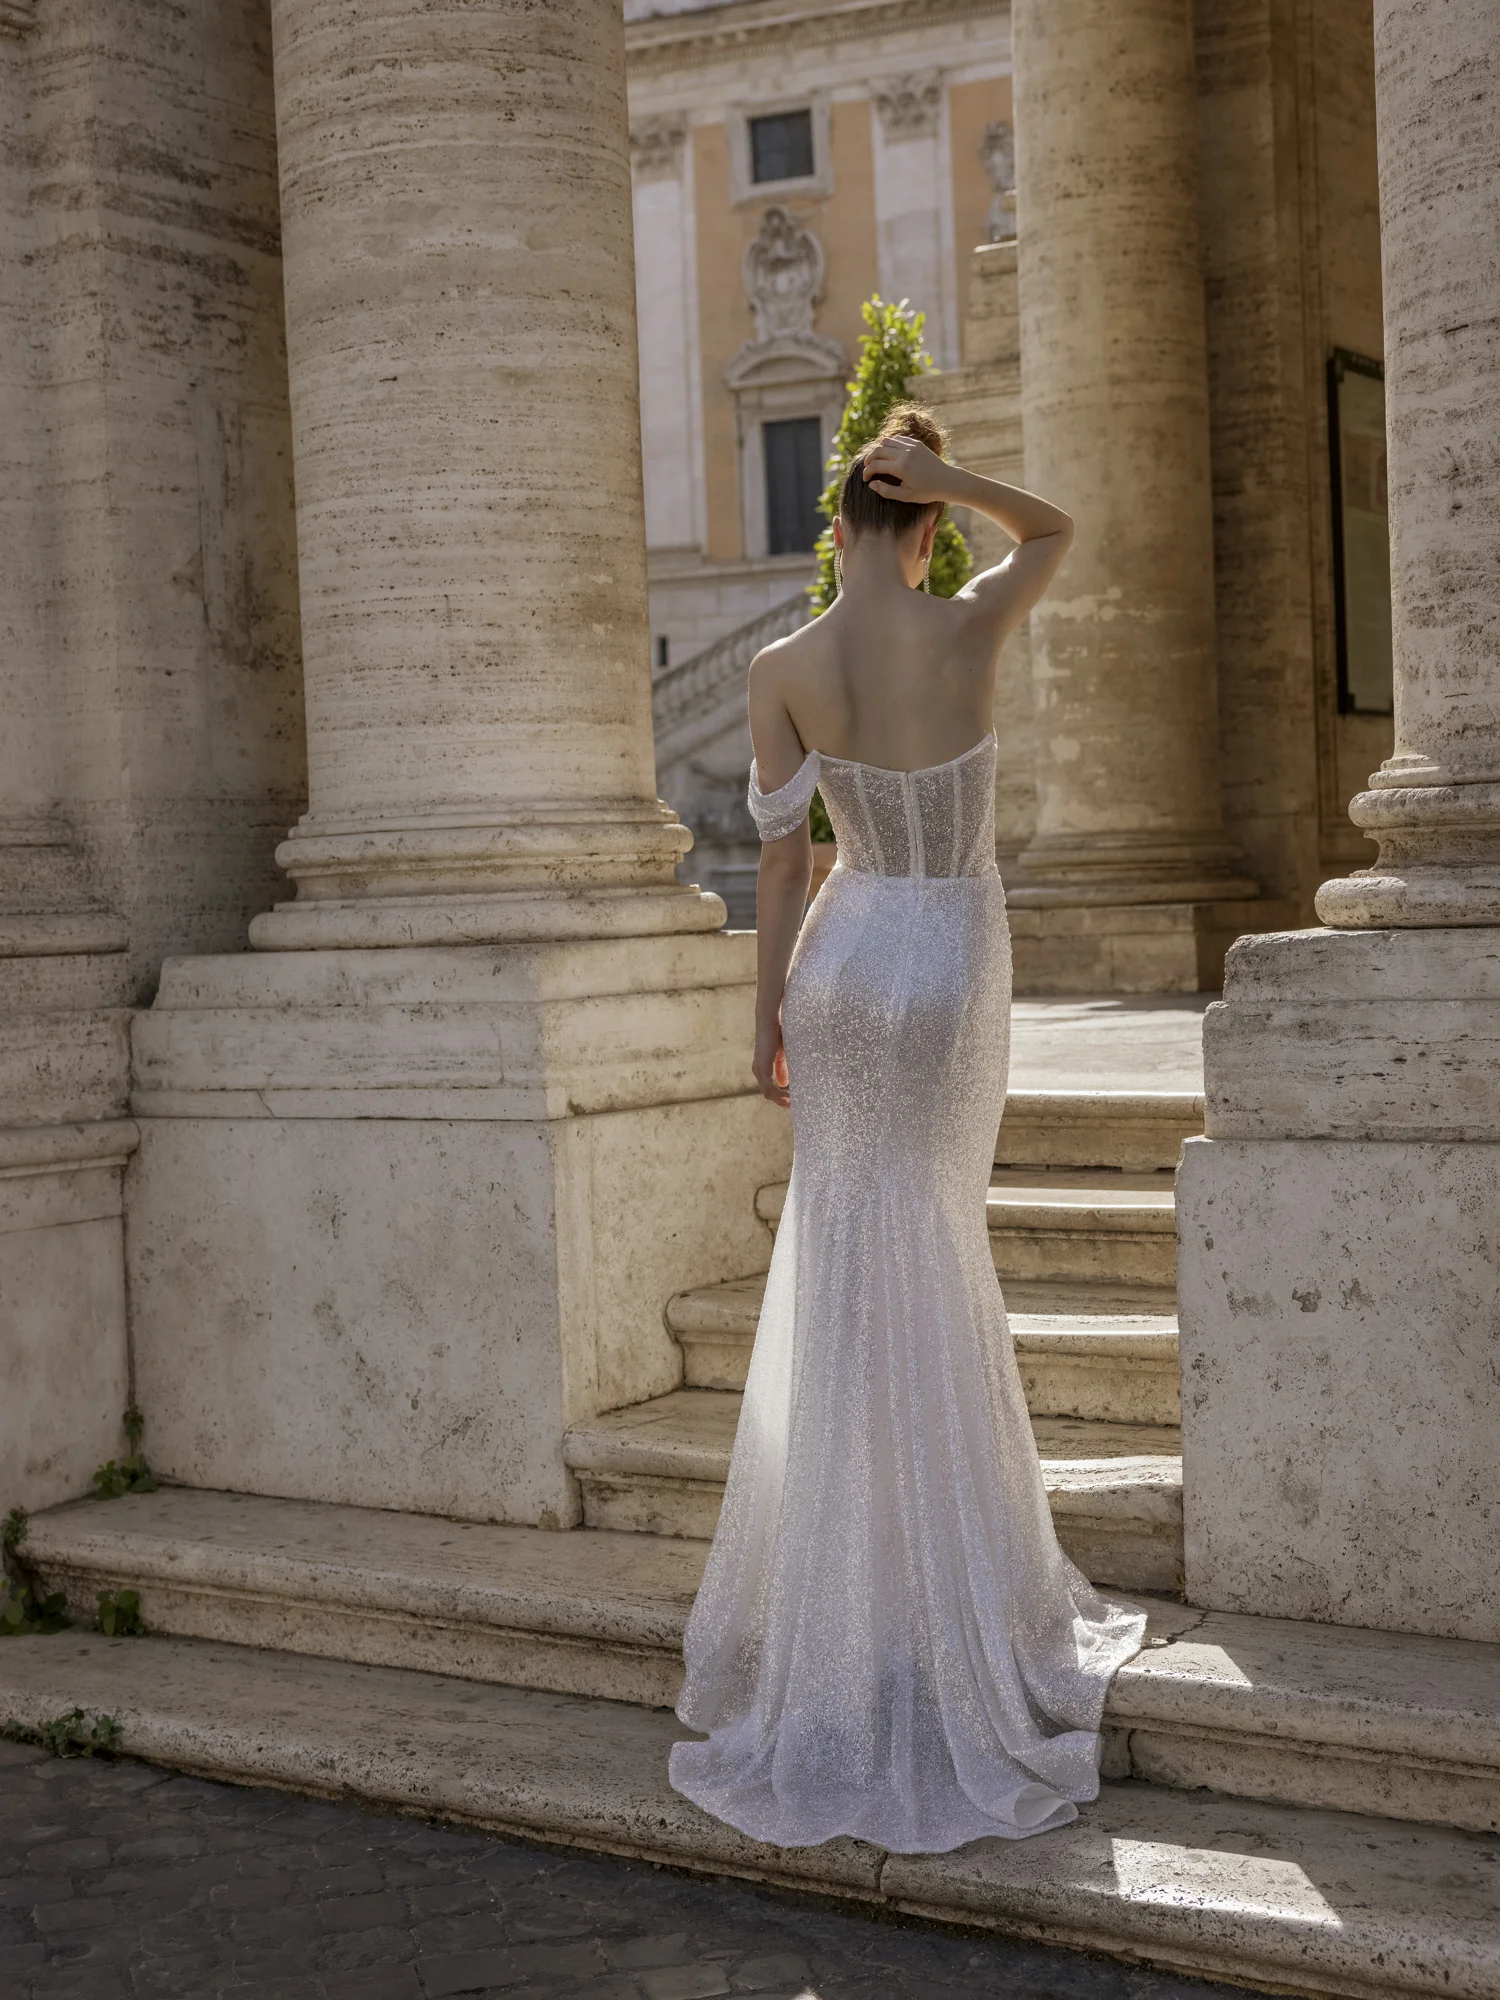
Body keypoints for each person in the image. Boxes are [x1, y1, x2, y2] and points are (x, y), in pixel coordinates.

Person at [667, 404, 1147, 1853]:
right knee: (933, 1249)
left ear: (835, 527)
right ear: (925, 521)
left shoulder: (780, 668)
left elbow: (782, 864)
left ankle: (844, 1620)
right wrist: (958, 478)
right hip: (945, 963)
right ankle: (941, 1604)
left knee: (841, 1268)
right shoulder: (968, 623)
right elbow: (1057, 528)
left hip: (838, 966)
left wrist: (765, 1017)